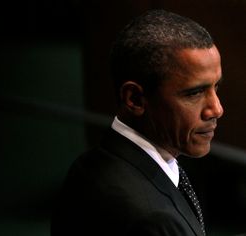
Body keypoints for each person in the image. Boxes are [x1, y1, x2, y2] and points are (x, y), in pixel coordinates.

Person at [51, 9, 223, 236]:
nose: (216, 109)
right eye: (194, 93)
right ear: (135, 99)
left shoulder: (89, 166)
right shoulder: (152, 219)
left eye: (216, 87)